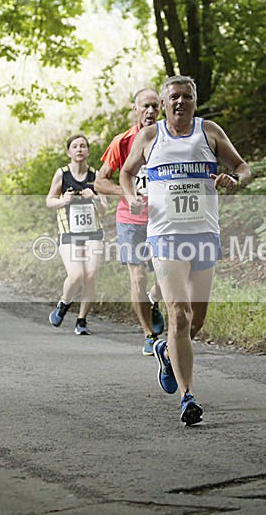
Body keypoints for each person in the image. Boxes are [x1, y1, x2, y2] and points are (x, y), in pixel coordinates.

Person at [120, 76, 251, 425]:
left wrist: (234, 180)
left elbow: (243, 167)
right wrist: (132, 197)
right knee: (178, 313)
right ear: (164, 103)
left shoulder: (209, 132)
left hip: (205, 233)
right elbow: (126, 173)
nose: (180, 102)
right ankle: (187, 396)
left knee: (196, 319)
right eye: (174, 97)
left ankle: (165, 349)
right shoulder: (150, 137)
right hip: (165, 235)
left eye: (187, 97)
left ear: (195, 100)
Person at [95, 87, 166, 356]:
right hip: (130, 219)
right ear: (135, 109)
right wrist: (126, 192)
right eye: (144, 107)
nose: (150, 112)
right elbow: (100, 181)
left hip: (163, 219)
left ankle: (154, 299)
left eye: (154, 107)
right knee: (137, 276)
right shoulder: (122, 142)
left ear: (160, 109)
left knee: (165, 274)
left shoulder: (168, 138)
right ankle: (149, 334)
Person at [46, 133, 108, 335]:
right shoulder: (61, 174)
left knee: (90, 276)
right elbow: (49, 201)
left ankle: (82, 321)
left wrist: (95, 198)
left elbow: (104, 209)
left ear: (88, 151)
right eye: (75, 146)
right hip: (69, 232)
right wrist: (64, 201)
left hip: (93, 233)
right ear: (69, 152)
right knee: (77, 275)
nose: (79, 149)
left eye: (83, 146)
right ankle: (64, 304)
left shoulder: (96, 175)